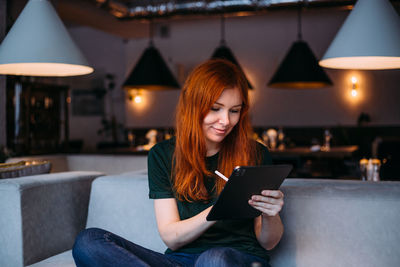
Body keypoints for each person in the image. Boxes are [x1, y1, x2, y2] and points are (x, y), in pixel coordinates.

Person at [72, 59, 285, 267]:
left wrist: (270, 214)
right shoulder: (162, 155)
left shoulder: (256, 153)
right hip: (179, 261)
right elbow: (171, 237)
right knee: (88, 242)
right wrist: (218, 209)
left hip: (237, 258)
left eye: (234, 110)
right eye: (215, 108)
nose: (226, 121)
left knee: (213, 259)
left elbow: (268, 242)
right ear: (193, 106)